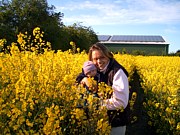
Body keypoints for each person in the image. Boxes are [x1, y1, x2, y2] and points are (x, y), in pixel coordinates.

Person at [80, 42, 130, 135]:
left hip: (115, 123)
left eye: (102, 57)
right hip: (98, 121)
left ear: (108, 56)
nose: (99, 61)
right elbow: (80, 76)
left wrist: (95, 104)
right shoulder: (94, 70)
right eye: (95, 59)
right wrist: (84, 79)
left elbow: (121, 102)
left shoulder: (117, 72)